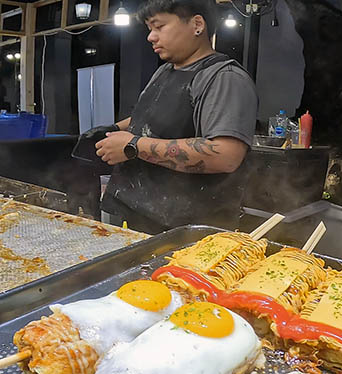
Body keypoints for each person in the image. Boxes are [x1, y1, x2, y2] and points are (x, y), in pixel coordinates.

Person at [91, 0, 258, 234]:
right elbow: (151, 116)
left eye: (159, 27)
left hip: (185, 231)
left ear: (197, 25)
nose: (151, 37)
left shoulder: (225, 78)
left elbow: (226, 155)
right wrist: (112, 129)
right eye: (150, 29)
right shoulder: (165, 70)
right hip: (136, 211)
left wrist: (133, 146)